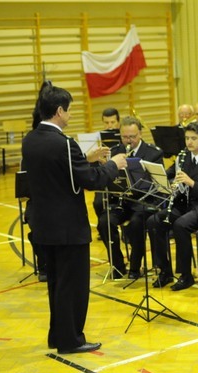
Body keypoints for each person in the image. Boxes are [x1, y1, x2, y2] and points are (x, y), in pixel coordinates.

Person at [22, 84, 127, 354]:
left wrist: (85, 159)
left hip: (45, 225)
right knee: (73, 286)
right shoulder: (64, 144)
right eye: (68, 110)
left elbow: (60, 172)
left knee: (57, 283)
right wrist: (113, 165)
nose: (70, 115)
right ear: (59, 111)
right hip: (68, 227)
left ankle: (58, 335)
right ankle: (71, 340)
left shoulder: (31, 139)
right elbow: (91, 180)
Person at [147, 121, 198, 291]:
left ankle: (186, 275)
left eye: (194, 138)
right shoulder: (183, 157)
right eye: (187, 138)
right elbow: (168, 175)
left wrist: (191, 183)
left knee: (180, 225)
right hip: (184, 205)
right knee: (154, 221)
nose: (189, 142)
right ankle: (164, 271)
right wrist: (168, 184)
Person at [96, 116, 164, 279]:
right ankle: (118, 265)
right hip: (122, 201)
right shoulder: (115, 152)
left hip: (144, 201)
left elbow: (157, 184)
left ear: (140, 133)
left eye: (132, 136)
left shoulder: (153, 153)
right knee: (104, 222)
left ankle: (135, 266)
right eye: (125, 137)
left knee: (136, 224)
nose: (128, 141)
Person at [93, 108, 121, 217]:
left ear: (118, 122)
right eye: (106, 123)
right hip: (104, 178)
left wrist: (109, 163)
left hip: (119, 179)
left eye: (113, 122)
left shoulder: (124, 137)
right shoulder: (98, 140)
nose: (109, 126)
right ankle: (103, 226)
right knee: (98, 203)